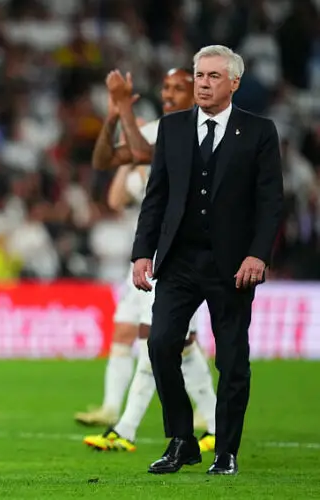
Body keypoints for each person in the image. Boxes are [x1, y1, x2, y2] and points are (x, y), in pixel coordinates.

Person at [132, 45, 283, 475]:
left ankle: (226, 451)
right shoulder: (173, 128)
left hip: (233, 265)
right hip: (178, 260)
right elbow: (155, 195)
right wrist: (142, 252)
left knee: (232, 359)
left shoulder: (259, 132)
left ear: (234, 83)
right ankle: (182, 439)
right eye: (200, 75)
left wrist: (258, 254)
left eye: (214, 76)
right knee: (161, 344)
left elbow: (270, 202)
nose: (202, 83)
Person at [79, 70, 217, 452]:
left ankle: (125, 429)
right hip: (153, 252)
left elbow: (140, 152)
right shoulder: (159, 128)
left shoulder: (199, 131)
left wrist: (124, 107)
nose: (169, 94)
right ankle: (215, 423)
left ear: (199, 93)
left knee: (155, 338)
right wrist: (112, 117)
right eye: (166, 88)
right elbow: (105, 159)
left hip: (183, 252)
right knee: (177, 342)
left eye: (178, 88)